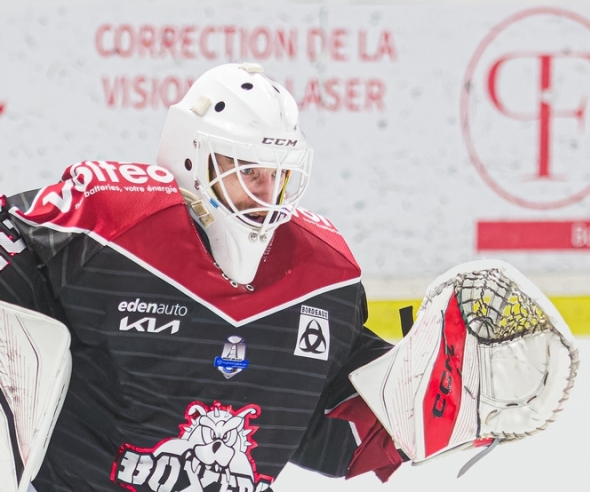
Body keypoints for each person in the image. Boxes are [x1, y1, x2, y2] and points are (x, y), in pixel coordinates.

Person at [0, 63, 402, 491]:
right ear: (192, 157)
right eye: (248, 172)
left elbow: (339, 436)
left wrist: (431, 396)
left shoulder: (326, 278)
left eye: (278, 175)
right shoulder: (108, 230)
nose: (266, 197)